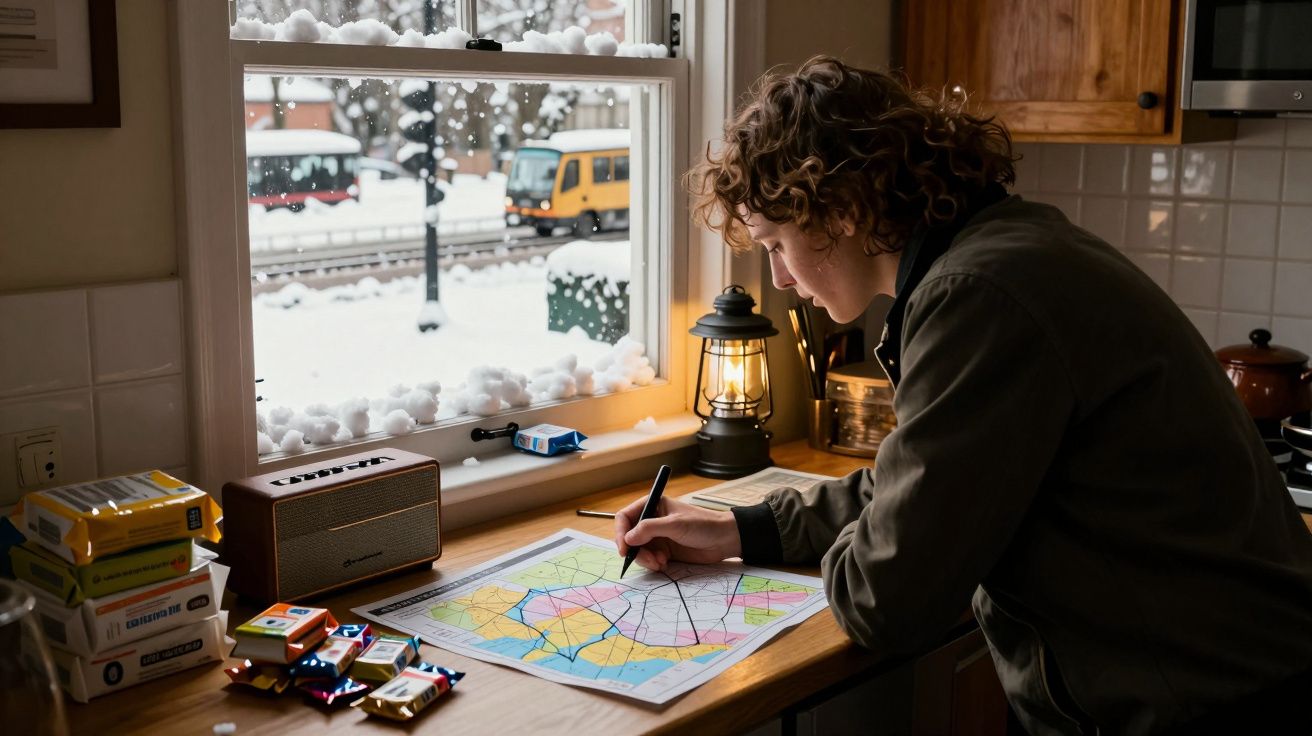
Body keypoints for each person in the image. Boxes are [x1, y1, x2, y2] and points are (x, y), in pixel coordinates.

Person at [613, 56, 1312, 735]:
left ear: (845, 208)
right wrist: (742, 530)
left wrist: (888, 539)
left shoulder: (975, 296)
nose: (783, 279)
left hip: (1212, 707)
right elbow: (920, 491)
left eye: (775, 242)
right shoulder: (1011, 248)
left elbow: (885, 600)